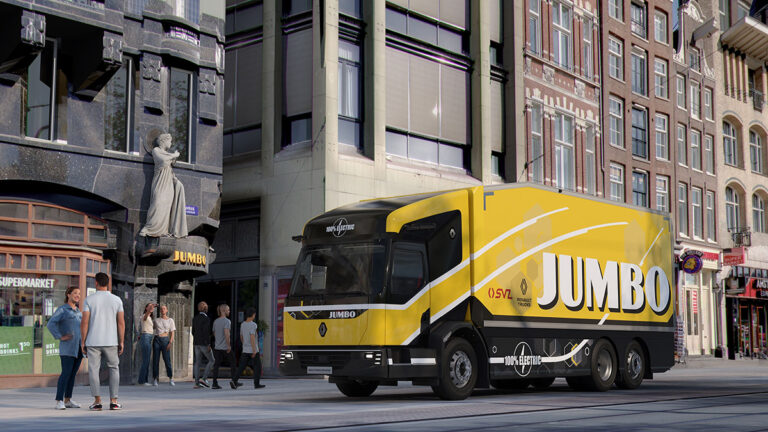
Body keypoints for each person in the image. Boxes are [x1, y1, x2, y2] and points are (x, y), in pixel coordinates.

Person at [81, 272, 125, 411]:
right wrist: (121, 341)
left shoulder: (89, 300)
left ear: (96, 283)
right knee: (114, 368)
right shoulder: (117, 300)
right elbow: (121, 322)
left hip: (93, 340)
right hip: (111, 340)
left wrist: (83, 341)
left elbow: (85, 322)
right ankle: (114, 401)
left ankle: (97, 401)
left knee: (93, 370)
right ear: (108, 283)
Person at [139, 133, 188, 238]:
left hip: (169, 185)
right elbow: (162, 160)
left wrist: (177, 183)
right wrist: (174, 155)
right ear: (163, 141)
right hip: (160, 183)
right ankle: (148, 228)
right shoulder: (156, 151)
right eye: (169, 141)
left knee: (166, 208)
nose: (171, 143)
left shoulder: (166, 154)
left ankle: (163, 231)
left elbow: (170, 169)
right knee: (157, 203)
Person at [46, 286, 84, 410]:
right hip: (67, 348)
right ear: (68, 294)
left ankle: (68, 400)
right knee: (65, 374)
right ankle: (59, 400)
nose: (78, 295)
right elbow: (51, 323)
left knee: (72, 375)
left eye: (79, 293)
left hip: (78, 348)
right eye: (75, 293)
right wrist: (60, 336)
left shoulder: (78, 311)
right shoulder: (63, 310)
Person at [231, 308, 265, 389]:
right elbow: (252, 337)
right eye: (254, 314)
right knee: (258, 367)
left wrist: (245, 345)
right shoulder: (253, 325)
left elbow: (241, 337)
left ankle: (234, 381)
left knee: (241, 367)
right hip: (253, 349)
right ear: (253, 315)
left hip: (245, 349)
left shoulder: (243, 324)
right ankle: (256, 384)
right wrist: (254, 350)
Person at [211, 304, 236, 390]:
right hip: (225, 347)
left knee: (216, 365)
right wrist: (228, 345)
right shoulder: (227, 321)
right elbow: (227, 334)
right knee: (233, 362)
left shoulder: (215, 321)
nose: (229, 311)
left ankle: (214, 383)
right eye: (228, 310)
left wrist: (218, 341)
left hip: (217, 347)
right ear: (224, 311)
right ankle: (234, 381)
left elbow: (214, 333)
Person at [192, 301, 214, 389]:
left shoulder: (195, 318)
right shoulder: (206, 319)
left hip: (196, 343)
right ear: (206, 309)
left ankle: (197, 383)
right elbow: (206, 332)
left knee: (197, 363)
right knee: (212, 360)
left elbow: (193, 331)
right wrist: (208, 343)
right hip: (204, 343)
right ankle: (204, 378)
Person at [152, 305, 176, 386]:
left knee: (167, 360)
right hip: (157, 339)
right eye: (161, 309)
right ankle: (155, 378)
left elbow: (172, 332)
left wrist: (170, 342)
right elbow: (151, 327)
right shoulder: (156, 320)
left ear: (167, 310)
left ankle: (171, 378)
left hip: (165, 340)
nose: (162, 310)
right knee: (155, 360)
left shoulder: (170, 320)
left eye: (164, 308)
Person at [137, 303, 155, 386]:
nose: (152, 307)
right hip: (146, 336)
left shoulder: (150, 318)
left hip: (149, 337)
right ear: (146, 308)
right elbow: (146, 315)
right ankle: (142, 381)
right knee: (145, 360)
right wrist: (151, 307)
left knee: (147, 360)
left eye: (152, 306)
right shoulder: (145, 316)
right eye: (150, 306)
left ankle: (145, 380)